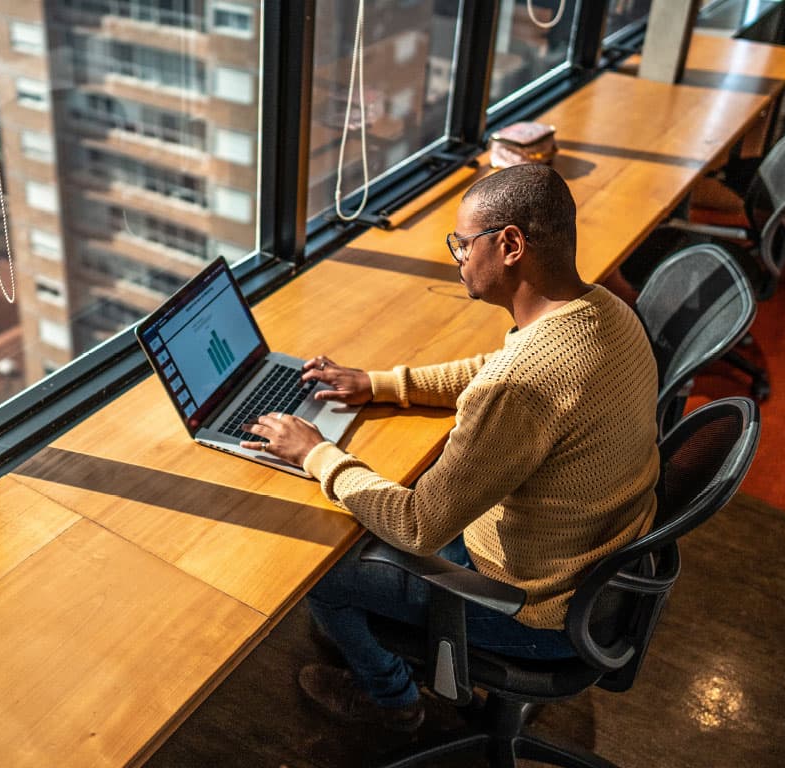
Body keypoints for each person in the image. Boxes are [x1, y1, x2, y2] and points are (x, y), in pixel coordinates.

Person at [240, 163, 659, 733]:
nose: (457, 257)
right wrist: (381, 384)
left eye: (462, 243)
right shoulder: (608, 313)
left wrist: (315, 452)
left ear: (510, 245)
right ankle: (374, 634)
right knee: (382, 502)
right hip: (593, 575)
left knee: (318, 569)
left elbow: (418, 527)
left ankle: (392, 701)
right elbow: (492, 369)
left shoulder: (521, 385)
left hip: (533, 609)